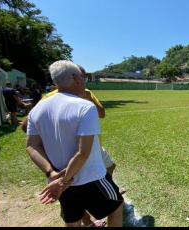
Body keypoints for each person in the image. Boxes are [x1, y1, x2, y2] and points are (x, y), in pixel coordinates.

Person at [22, 64, 125, 227]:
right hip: (89, 176)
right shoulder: (85, 106)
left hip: (57, 179)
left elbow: (31, 146)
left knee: (72, 219)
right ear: (76, 78)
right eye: (83, 78)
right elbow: (83, 152)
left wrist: (52, 173)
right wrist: (64, 180)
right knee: (116, 206)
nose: (84, 83)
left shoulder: (37, 108)